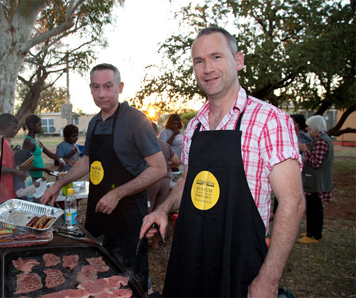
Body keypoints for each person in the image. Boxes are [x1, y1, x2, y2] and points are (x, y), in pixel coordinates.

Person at [140, 27, 305, 297]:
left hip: (242, 264)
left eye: (216, 57)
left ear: (238, 61)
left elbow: (293, 203)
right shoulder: (194, 126)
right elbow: (187, 182)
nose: (207, 68)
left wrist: (268, 279)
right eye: (199, 61)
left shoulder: (269, 120)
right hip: (191, 258)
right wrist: (163, 208)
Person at [41, 63, 167, 292]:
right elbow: (86, 162)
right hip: (98, 213)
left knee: (131, 279)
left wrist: (117, 193)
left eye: (108, 87)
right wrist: (58, 183)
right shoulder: (94, 122)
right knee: (98, 274)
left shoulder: (136, 121)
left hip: (128, 216)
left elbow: (159, 168)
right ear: (90, 88)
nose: (101, 94)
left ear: (119, 87)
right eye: (96, 87)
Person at [297, 115, 334, 244]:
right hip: (314, 181)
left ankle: (314, 235)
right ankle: (311, 232)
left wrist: (305, 150)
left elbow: (316, 162)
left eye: (309, 127)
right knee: (312, 207)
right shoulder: (319, 139)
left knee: (315, 208)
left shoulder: (321, 142)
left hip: (316, 182)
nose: (308, 130)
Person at [147, 122, 180, 249]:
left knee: (148, 210)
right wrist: (166, 166)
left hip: (151, 181)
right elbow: (177, 161)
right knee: (160, 210)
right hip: (165, 180)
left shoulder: (144, 144)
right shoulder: (165, 145)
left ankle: (144, 240)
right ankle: (156, 242)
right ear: (157, 133)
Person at [0, 113, 25, 204]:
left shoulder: (5, 142)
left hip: (9, 191)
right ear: (6, 127)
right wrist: (16, 171)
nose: (15, 131)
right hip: (3, 194)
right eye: (14, 128)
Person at [22, 115, 65, 180]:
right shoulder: (28, 142)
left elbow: (49, 154)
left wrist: (60, 160)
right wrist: (44, 169)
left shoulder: (36, 140)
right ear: (32, 126)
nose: (41, 128)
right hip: (32, 177)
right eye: (39, 125)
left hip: (38, 176)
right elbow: (26, 164)